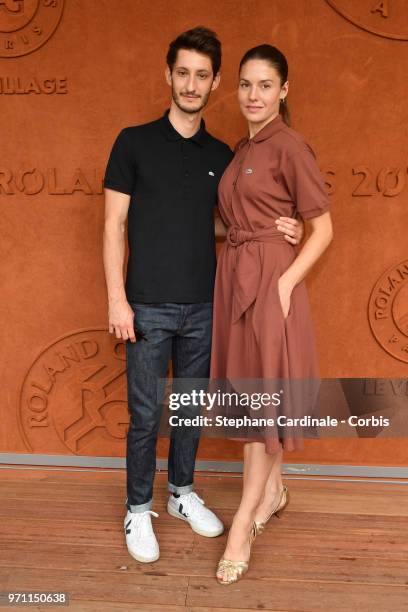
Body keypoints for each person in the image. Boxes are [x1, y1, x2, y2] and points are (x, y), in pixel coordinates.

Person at [103, 28, 303, 565]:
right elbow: (113, 225)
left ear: (214, 83)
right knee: (146, 415)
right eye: (183, 72)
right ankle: (138, 506)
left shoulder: (224, 154)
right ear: (168, 75)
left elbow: (223, 224)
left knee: (190, 410)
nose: (191, 84)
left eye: (202, 75)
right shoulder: (132, 142)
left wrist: (284, 231)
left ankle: (181, 493)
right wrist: (116, 300)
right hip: (145, 303)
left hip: (204, 305)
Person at [210, 44, 333, 584]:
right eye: (244, 84)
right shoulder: (242, 149)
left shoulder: (290, 147)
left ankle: (242, 525)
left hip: (270, 286)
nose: (252, 95)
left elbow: (324, 228)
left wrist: (284, 281)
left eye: (264, 85)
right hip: (236, 276)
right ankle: (275, 492)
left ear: (283, 90)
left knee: (264, 400)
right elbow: (239, 219)